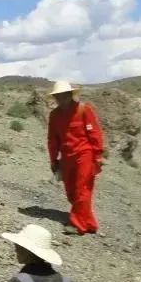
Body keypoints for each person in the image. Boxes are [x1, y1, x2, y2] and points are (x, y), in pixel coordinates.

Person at [46, 81, 104, 235]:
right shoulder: (55, 115)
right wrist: (53, 159)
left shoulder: (84, 110)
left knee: (82, 189)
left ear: (70, 94)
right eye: (57, 96)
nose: (60, 98)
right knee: (71, 191)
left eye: (63, 95)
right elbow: (53, 139)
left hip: (85, 154)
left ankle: (77, 225)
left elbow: (95, 134)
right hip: (66, 157)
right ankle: (89, 223)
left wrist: (97, 156)